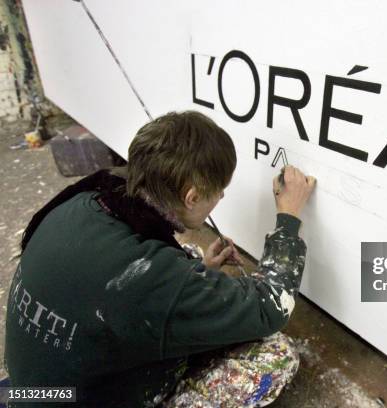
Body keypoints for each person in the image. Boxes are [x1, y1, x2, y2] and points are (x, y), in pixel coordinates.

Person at [4, 110, 316, 407]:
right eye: (219, 191)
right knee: (277, 354)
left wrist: (200, 272)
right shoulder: (148, 276)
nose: (220, 198)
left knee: (189, 257)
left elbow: (124, 288)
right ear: (191, 196)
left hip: (29, 390)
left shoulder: (86, 200)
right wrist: (288, 217)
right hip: (76, 401)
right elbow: (270, 308)